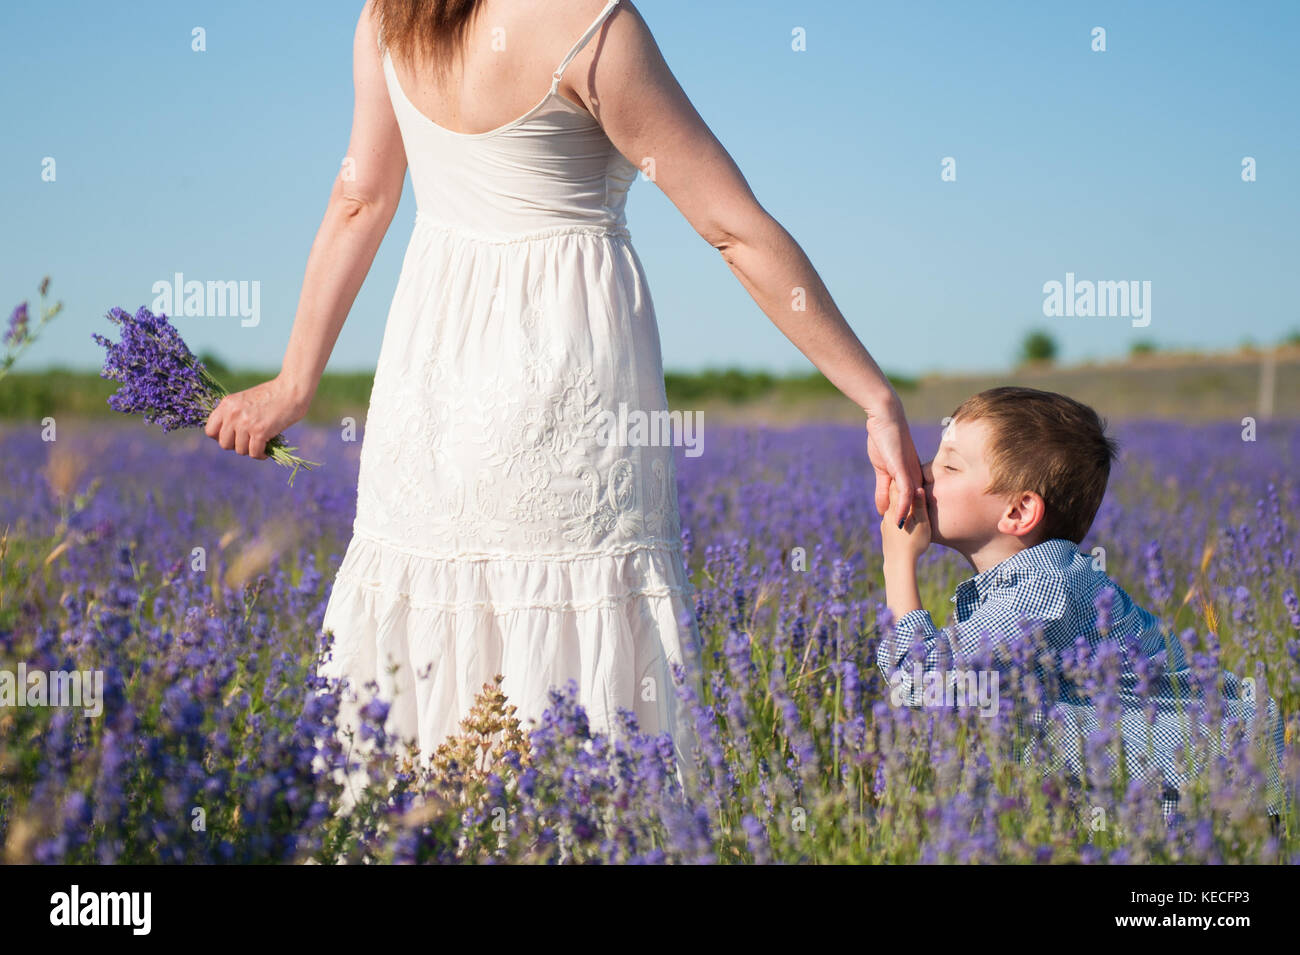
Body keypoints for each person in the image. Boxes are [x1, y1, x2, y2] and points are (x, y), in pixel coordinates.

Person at [202, 0, 923, 800]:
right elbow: (732, 229)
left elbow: (359, 201)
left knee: (424, 639)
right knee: (572, 646)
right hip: (565, 389)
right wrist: (874, 395)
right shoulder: (589, 23)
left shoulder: (389, 18)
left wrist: (292, 383)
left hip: (427, 380)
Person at [876, 385, 1288, 824]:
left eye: (949, 466)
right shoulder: (1018, 585)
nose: (922, 475)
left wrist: (898, 561)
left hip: (1210, 808)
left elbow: (920, 685)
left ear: (1018, 511)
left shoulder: (1045, 588)